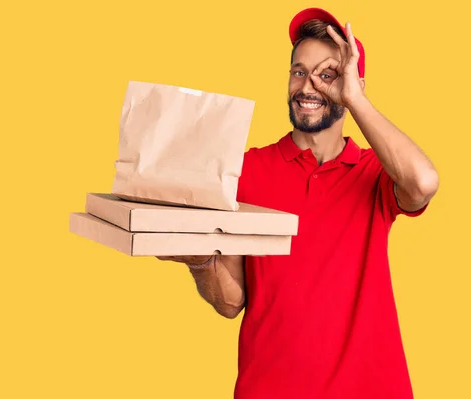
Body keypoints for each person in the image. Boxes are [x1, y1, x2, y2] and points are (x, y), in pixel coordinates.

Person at [157, 7, 439, 399]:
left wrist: (354, 98)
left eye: (327, 75)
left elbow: (423, 182)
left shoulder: (375, 173)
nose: (308, 87)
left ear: (353, 85)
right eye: (299, 71)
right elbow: (231, 302)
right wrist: (199, 260)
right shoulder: (246, 169)